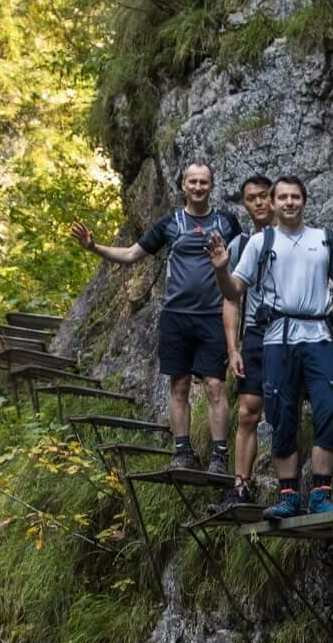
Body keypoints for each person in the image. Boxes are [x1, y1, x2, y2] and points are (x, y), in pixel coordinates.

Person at [209, 176, 333, 520]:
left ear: (304, 200)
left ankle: (321, 493)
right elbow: (232, 291)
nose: (289, 202)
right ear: (273, 201)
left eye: (295, 196)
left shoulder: (325, 239)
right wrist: (222, 269)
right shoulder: (260, 242)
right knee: (282, 414)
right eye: (282, 197)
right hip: (277, 338)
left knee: (329, 408)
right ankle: (289, 495)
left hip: (318, 335)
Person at [72, 161, 244, 471]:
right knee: (178, 386)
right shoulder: (169, 224)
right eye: (192, 181)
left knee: (214, 386)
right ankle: (182, 453)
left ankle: (219, 457)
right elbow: (130, 255)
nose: (198, 187)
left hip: (212, 316)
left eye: (204, 182)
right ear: (182, 186)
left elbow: (246, 261)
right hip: (175, 316)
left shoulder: (227, 222)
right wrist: (93, 247)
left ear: (212, 186)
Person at [220, 175, 277, 506]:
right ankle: (241, 485)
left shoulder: (294, 239)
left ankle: (288, 487)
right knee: (247, 412)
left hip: (289, 335)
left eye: (264, 196)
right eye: (251, 198)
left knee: (284, 410)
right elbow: (231, 301)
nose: (258, 202)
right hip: (255, 334)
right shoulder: (240, 246)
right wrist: (233, 348)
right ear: (244, 204)